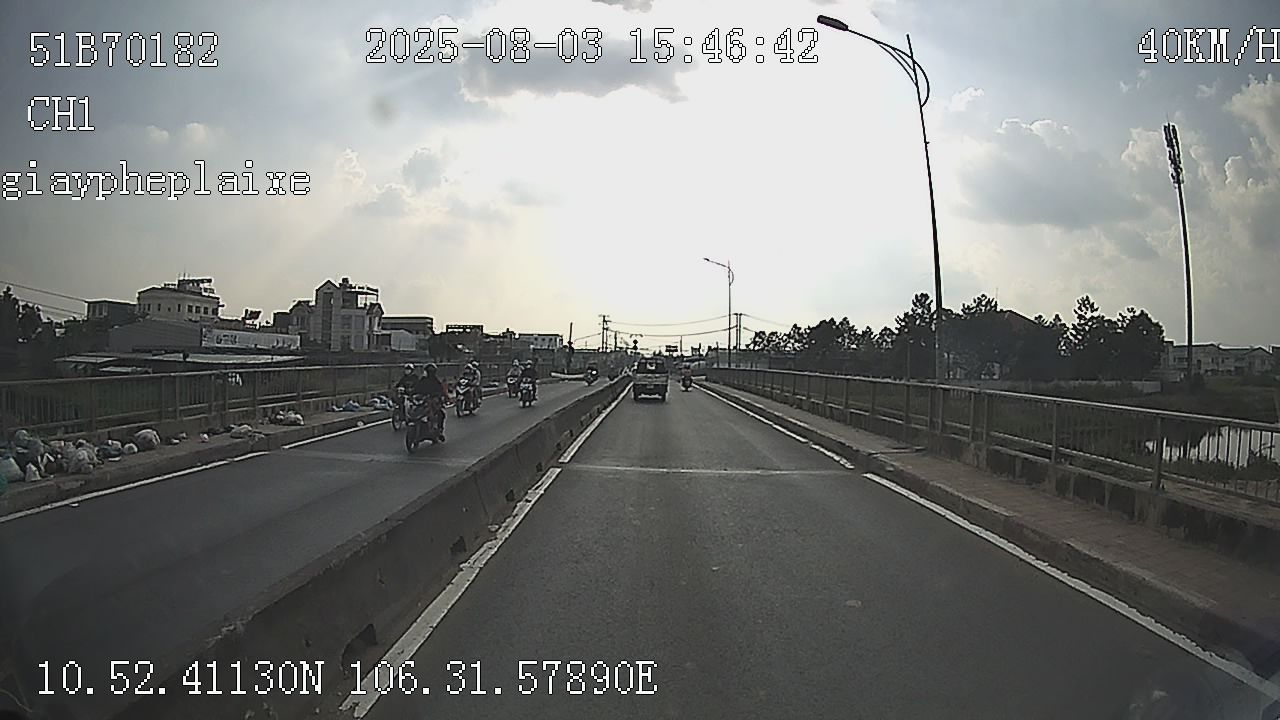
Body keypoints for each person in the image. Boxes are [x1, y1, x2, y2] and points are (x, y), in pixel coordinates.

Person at [411, 363, 450, 437]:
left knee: (440, 413)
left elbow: (441, 390)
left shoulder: (435, 381)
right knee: (414, 408)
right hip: (422, 400)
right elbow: (416, 388)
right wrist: (412, 394)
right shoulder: (423, 380)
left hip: (432, 400)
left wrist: (440, 396)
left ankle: (439, 430)